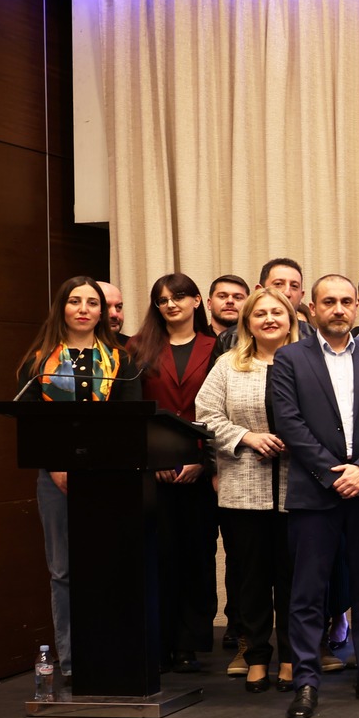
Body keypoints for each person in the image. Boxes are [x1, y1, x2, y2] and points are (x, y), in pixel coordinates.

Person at [267, 274, 359, 718]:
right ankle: (306, 682)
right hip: (316, 491)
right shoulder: (290, 358)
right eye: (329, 301)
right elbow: (288, 422)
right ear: (312, 309)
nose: (339, 309)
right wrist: (333, 475)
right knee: (308, 593)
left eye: (347, 301)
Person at [18, 277, 144, 673]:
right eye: (75, 301)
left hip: (109, 476)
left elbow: (129, 422)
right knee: (64, 571)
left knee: (110, 563)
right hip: (54, 478)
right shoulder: (38, 361)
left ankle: (112, 656)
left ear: (102, 312)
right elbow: (30, 424)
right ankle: (74, 661)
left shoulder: (121, 360)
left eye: (92, 302)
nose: (84, 309)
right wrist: (57, 466)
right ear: (62, 308)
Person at [197, 288, 299, 693]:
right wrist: (246, 437)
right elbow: (206, 416)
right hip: (242, 491)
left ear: (291, 321)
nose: (269, 319)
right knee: (250, 580)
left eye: (278, 312)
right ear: (248, 324)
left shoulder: (308, 362)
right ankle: (256, 656)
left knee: (293, 581)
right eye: (260, 314)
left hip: (298, 491)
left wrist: (300, 440)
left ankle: (291, 657)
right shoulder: (228, 365)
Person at [129, 274, 222, 673]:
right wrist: (156, 461)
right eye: (163, 299)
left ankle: (189, 643)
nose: (171, 304)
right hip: (155, 474)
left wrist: (204, 461)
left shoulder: (216, 346)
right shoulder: (138, 347)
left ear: (197, 301)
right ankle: (159, 641)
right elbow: (133, 412)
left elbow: (222, 409)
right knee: (159, 558)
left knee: (198, 557)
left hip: (201, 470)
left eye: (179, 296)